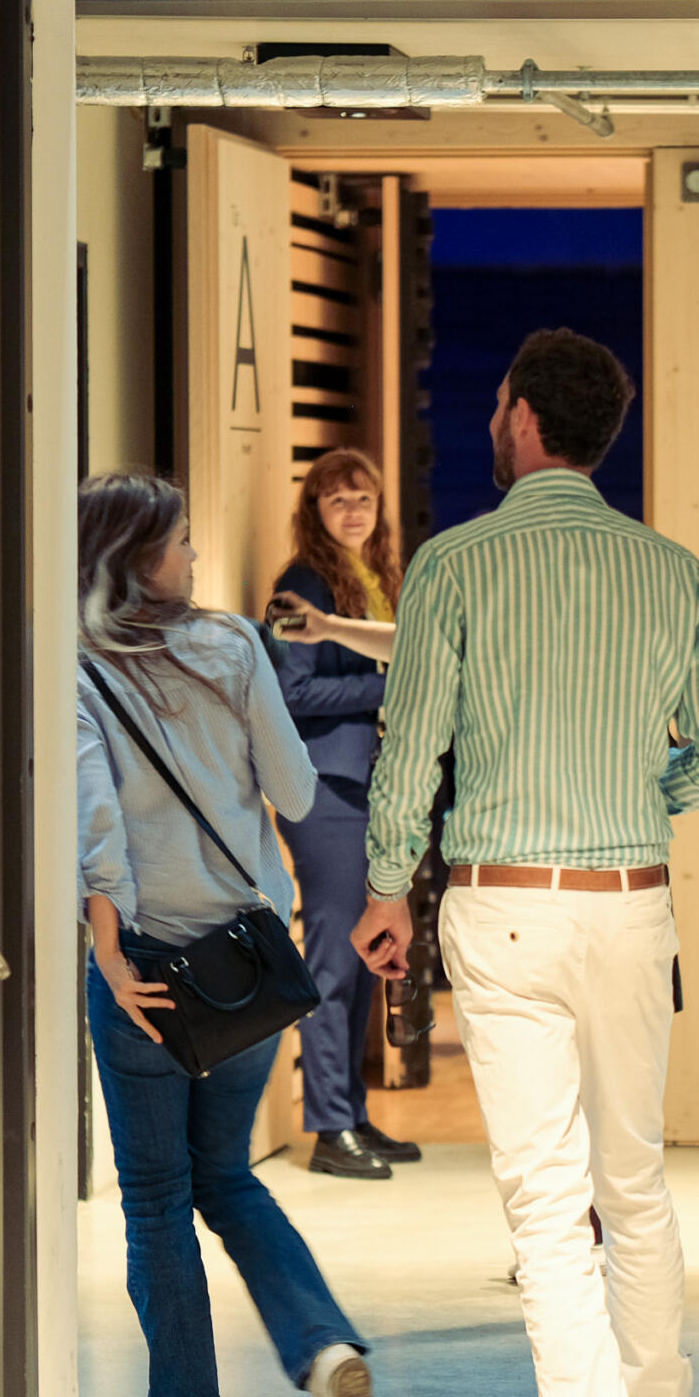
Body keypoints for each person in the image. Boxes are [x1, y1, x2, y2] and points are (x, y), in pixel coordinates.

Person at [354, 330, 699, 1397]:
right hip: (631, 903)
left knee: (544, 1206)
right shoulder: (672, 570)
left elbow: (409, 744)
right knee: (632, 1184)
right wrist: (638, 797)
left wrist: (383, 892)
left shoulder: (455, 565)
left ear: (518, 417)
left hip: (503, 901)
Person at [75, 469, 377, 1397]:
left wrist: (109, 956)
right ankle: (324, 1345)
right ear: (136, 557)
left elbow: (98, 828)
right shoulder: (233, 646)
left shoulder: (78, 668)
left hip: (152, 970)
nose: (194, 559)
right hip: (248, 961)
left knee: (158, 1196)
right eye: (179, 543)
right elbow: (293, 787)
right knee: (228, 1177)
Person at [265, 448, 421, 1181]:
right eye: (338, 501)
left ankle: (352, 1113)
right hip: (325, 788)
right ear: (314, 513)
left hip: (368, 784)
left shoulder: (376, 578)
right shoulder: (299, 586)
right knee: (333, 955)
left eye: (364, 499)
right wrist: (381, 693)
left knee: (363, 957)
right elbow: (289, 694)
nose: (354, 511)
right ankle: (329, 1127)